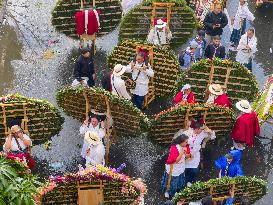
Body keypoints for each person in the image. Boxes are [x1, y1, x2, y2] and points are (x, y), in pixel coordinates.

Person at [183, 121, 216, 186]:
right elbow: (180, 142)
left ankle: (189, 181)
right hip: (186, 152)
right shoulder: (187, 133)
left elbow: (213, 136)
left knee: (194, 170)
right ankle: (183, 181)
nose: (202, 130)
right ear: (196, 129)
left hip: (195, 154)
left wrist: (209, 131)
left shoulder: (203, 133)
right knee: (185, 169)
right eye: (201, 129)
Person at [161, 134, 189, 199]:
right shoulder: (174, 148)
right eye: (186, 142)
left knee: (179, 180)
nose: (187, 143)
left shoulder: (186, 146)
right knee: (170, 182)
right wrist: (182, 152)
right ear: (181, 142)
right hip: (173, 168)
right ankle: (167, 192)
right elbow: (176, 160)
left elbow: (187, 156)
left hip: (180, 167)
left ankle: (177, 191)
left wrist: (187, 154)